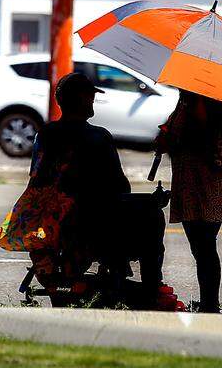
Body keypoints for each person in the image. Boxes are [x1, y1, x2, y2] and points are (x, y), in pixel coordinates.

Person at [28, 71, 167, 302]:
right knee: (153, 216)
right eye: (91, 97)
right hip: (94, 227)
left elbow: (37, 178)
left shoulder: (45, 135)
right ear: (82, 99)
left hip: (53, 222)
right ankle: (152, 289)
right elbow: (120, 189)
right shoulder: (98, 137)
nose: (93, 101)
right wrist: (153, 201)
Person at [156, 90, 222, 313]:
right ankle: (209, 302)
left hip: (204, 183)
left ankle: (211, 305)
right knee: (202, 247)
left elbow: (199, 134)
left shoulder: (201, 99)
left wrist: (170, 138)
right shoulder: (187, 100)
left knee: (204, 247)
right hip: (193, 182)